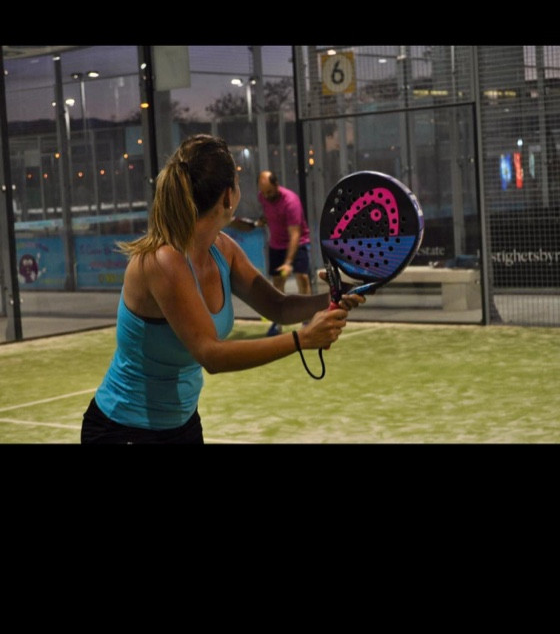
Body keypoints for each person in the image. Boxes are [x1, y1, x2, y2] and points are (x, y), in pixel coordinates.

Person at [80, 135, 364, 444]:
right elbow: (210, 354)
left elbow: (278, 307)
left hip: (182, 424)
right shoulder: (164, 261)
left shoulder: (222, 249)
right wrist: (302, 339)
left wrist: (334, 295)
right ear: (228, 197)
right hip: (123, 429)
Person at [255, 171, 311, 336]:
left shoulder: (291, 202)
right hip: (276, 245)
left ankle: (307, 320)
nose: (266, 196)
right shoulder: (262, 197)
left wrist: (288, 262)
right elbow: (269, 212)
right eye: (263, 192)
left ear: (277, 185)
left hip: (298, 242)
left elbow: (295, 234)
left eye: (269, 192)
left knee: (302, 277)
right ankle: (277, 322)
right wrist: (263, 220)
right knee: (277, 283)